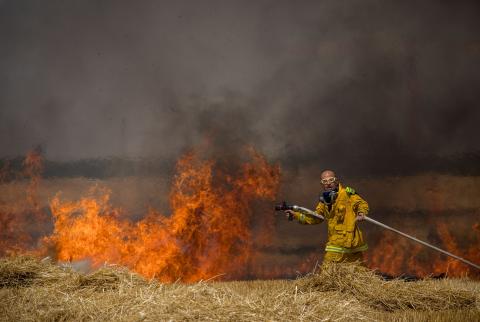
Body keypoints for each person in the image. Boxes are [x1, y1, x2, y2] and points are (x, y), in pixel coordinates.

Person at [285, 170, 369, 263]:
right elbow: (316, 218)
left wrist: (361, 213)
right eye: (325, 181)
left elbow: (361, 203)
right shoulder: (324, 201)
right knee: (332, 272)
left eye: (330, 180)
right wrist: (296, 215)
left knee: (356, 271)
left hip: (351, 241)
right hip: (336, 241)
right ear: (322, 184)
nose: (328, 183)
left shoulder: (346, 194)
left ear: (336, 181)